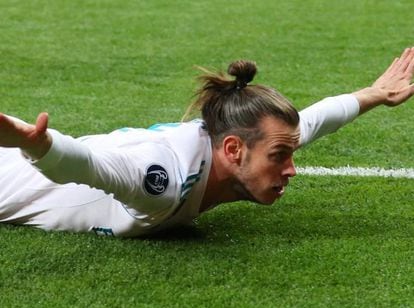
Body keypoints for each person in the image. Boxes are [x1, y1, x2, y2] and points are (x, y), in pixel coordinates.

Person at [0, 48, 413, 237]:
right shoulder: (161, 180)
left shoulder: (250, 141)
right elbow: (86, 164)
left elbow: (316, 119)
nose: (291, 168)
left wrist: (373, 94)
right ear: (233, 150)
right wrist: (37, 144)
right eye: (280, 156)